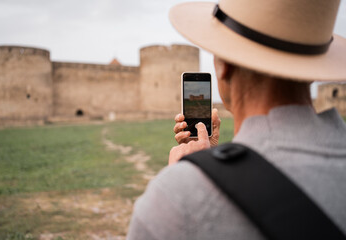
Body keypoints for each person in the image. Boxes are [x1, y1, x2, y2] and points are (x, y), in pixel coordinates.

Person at [127, 0, 346, 239]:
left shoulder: (177, 199)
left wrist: (189, 179)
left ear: (223, 66)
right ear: (313, 66)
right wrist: (218, 161)